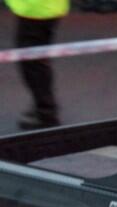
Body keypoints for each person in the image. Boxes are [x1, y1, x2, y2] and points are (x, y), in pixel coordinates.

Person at [6, 0, 68, 129]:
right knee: (37, 60)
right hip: (43, 8)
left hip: (36, 9)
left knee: (32, 63)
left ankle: (45, 112)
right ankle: (44, 106)